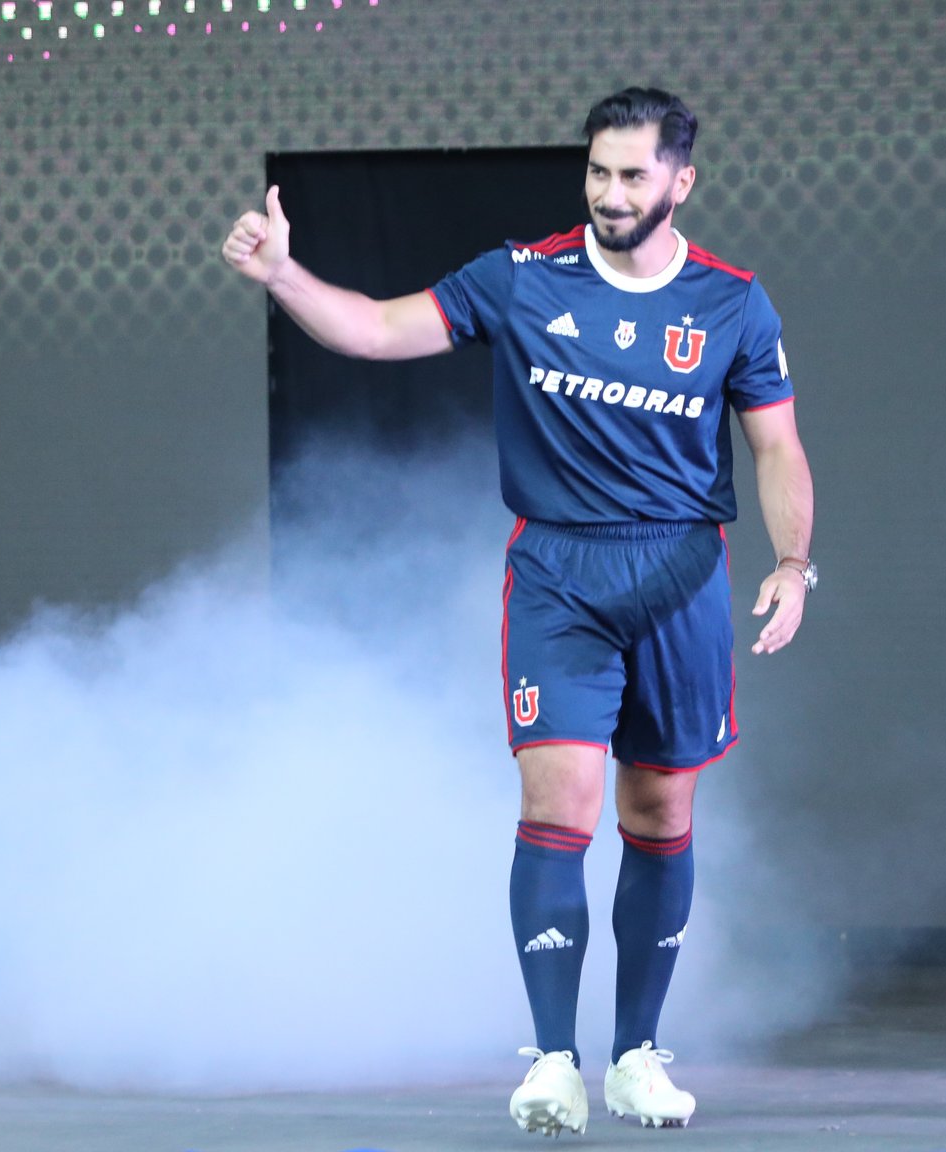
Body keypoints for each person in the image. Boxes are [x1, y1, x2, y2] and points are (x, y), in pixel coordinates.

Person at [220, 86, 816, 1136]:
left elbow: (776, 446)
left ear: (681, 182)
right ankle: (552, 1062)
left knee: (658, 814)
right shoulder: (521, 278)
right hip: (558, 575)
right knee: (560, 805)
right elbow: (374, 330)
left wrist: (793, 563)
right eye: (597, 171)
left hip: (680, 575)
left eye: (633, 175)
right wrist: (282, 275)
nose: (610, 193)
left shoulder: (733, 304)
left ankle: (636, 1056)